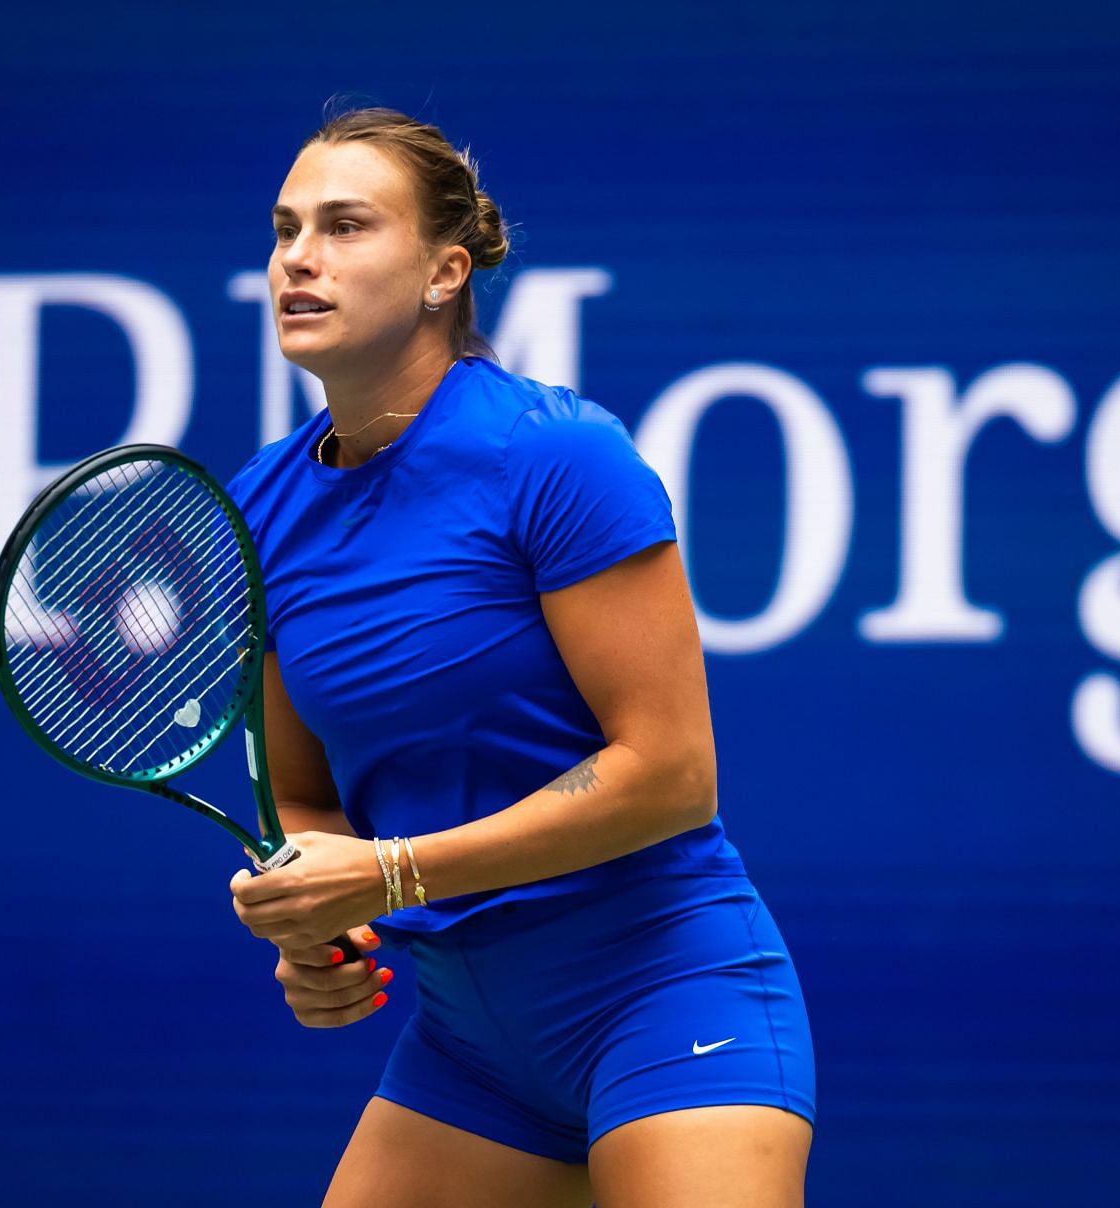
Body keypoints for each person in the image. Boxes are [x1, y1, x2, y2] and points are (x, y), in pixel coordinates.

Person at [225, 107, 816, 1208]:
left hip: (666, 999)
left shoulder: (555, 455)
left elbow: (671, 773)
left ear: (447, 271)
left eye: (347, 226)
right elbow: (305, 798)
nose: (299, 257)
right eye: (286, 227)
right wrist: (327, 916)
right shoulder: (259, 507)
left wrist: (392, 871)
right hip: (469, 1052)